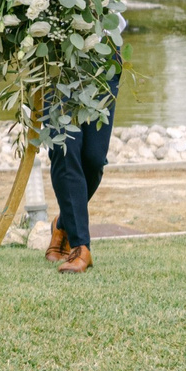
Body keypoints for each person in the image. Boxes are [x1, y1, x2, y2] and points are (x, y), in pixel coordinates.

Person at [42, 59, 122, 273]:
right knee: (65, 148)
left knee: (94, 159)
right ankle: (80, 248)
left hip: (103, 61)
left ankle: (63, 224)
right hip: (58, 61)